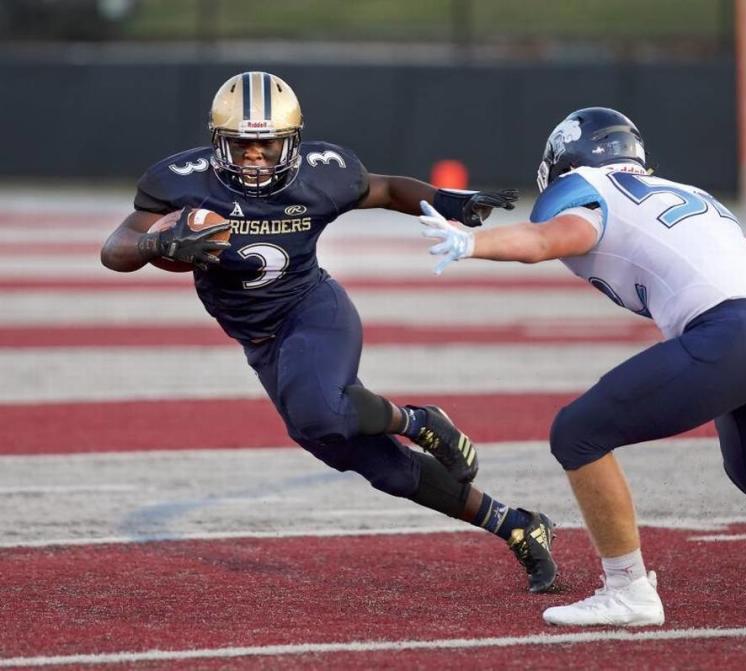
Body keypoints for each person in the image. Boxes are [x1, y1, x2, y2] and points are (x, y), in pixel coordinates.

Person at [417, 107, 746, 625]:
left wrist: (475, 243)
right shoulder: (694, 196)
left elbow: (551, 238)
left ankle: (628, 591)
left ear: (565, 160)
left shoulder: (587, 188)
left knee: (578, 433)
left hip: (731, 334)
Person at [100, 71, 557, 594]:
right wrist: (153, 246)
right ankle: (517, 525)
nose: (253, 157)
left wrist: (444, 200)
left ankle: (421, 420)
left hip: (311, 310)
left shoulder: (324, 173)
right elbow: (115, 248)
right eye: (241, 145)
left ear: (291, 141)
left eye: (266, 143)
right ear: (217, 142)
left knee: (321, 410)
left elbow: (383, 189)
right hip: (261, 342)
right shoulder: (180, 180)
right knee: (367, 460)